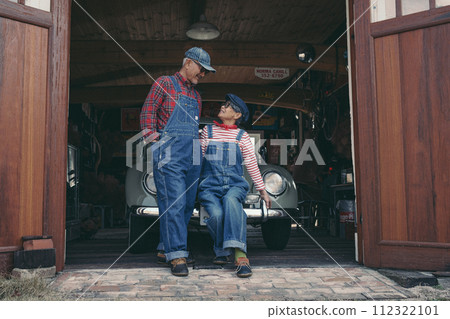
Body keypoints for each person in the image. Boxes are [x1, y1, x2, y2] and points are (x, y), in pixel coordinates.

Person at [140, 47, 215, 276]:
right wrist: (157, 144)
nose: (202, 75)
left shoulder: (196, 96)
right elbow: (147, 114)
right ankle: (178, 255)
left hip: (191, 157)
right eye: (202, 69)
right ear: (189, 63)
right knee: (173, 203)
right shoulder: (164, 83)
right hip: (169, 156)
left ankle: (165, 248)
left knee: (184, 206)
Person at [198, 94, 271, 278]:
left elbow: (252, 163)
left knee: (231, 201)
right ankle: (221, 249)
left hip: (234, 185)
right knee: (216, 215)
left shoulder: (242, 136)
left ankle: (240, 256)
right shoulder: (208, 131)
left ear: (237, 115)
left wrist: (262, 190)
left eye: (228, 106)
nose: (223, 106)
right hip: (210, 186)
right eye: (224, 104)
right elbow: (197, 161)